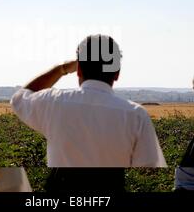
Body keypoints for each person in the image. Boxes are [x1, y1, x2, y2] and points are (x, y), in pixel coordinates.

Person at [11, 34, 166, 169]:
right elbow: (150, 167)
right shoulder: (136, 115)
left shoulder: (53, 103)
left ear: (78, 70)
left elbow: (19, 98)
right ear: (117, 74)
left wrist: (61, 69)